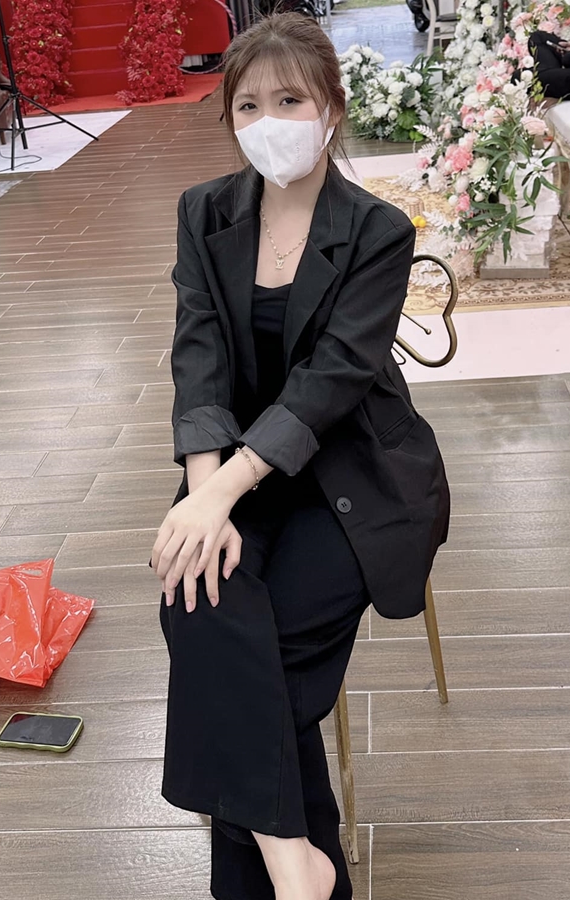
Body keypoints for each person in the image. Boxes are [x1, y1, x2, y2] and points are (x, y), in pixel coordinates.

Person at [150, 13, 450, 900]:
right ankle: (301, 868)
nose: (269, 120)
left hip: (355, 476)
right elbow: (198, 354)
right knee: (202, 596)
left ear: (331, 108)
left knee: (243, 659)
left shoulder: (377, 229)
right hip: (236, 475)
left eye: (289, 100)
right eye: (249, 105)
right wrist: (205, 495)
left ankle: (284, 864)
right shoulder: (203, 212)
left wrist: (221, 494)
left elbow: (333, 381)